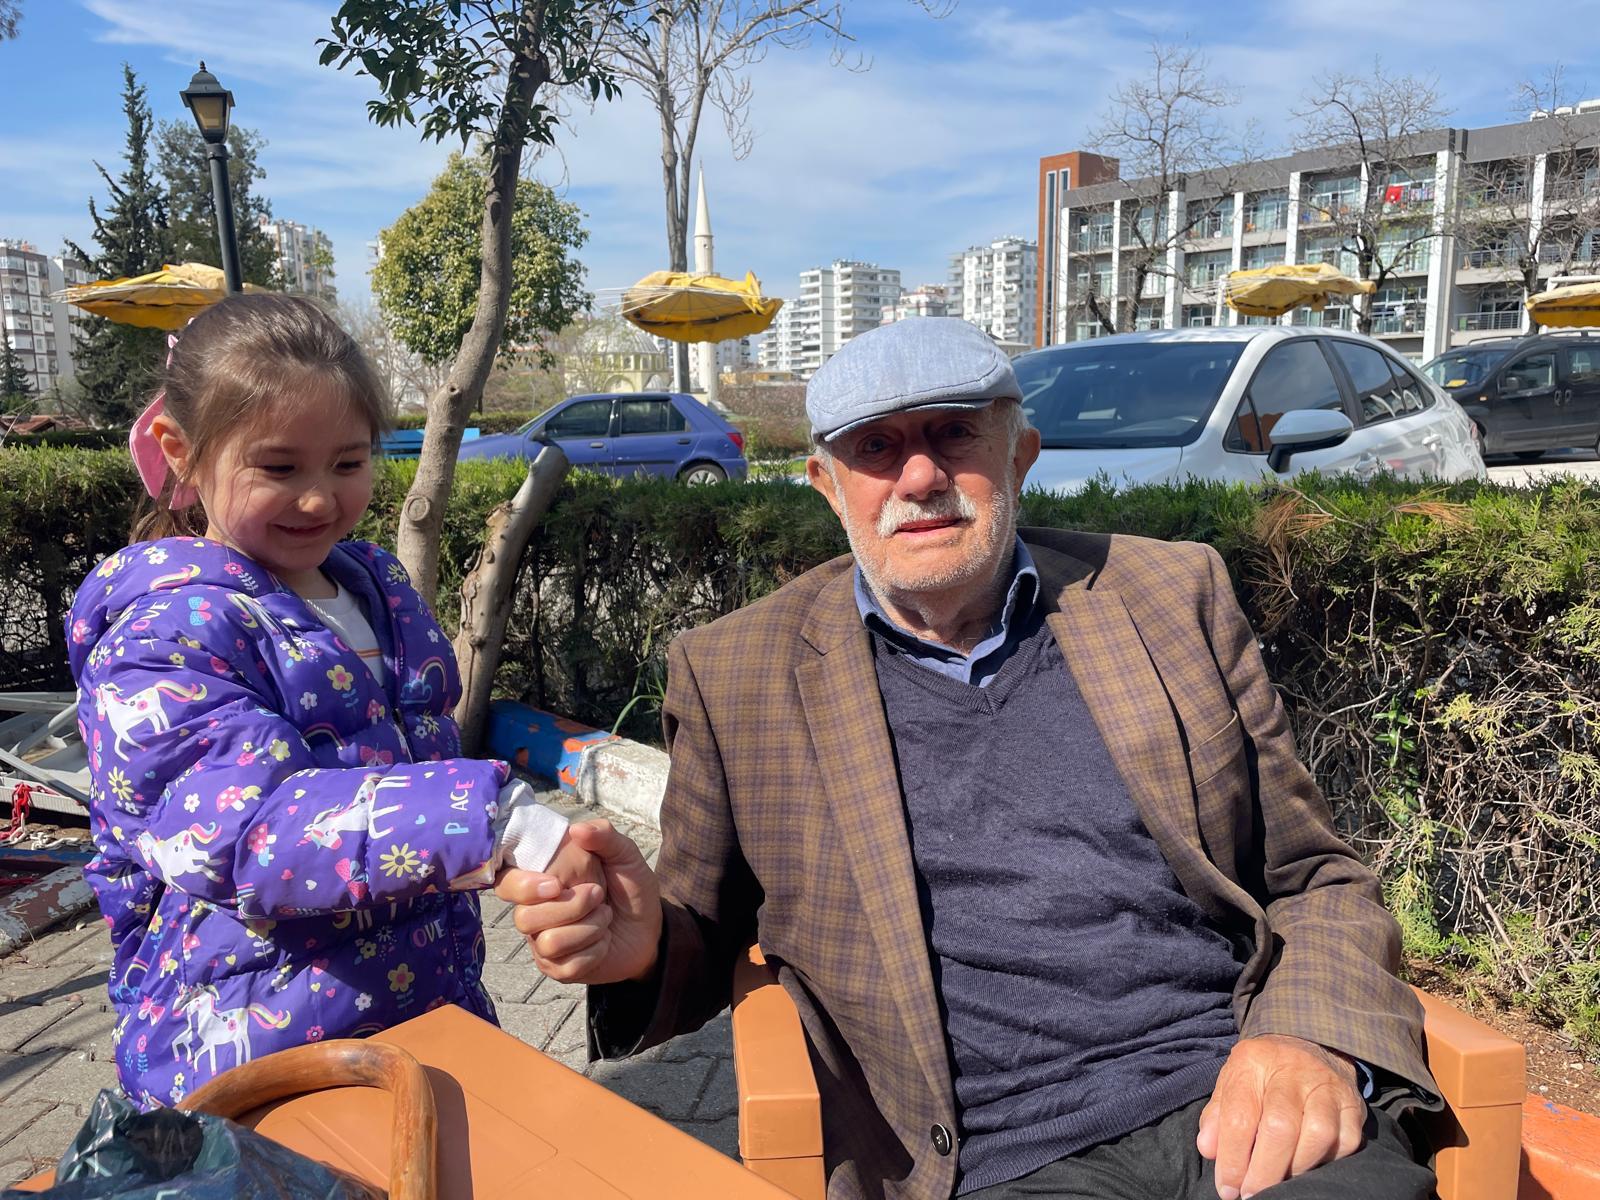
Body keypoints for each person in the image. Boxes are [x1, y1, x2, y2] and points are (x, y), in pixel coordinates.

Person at [503, 317, 1441, 1200]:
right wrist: (638, 951)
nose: (919, 477)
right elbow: (702, 936)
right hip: (991, 1159)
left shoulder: (1169, 594)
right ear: (826, 484)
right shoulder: (736, 674)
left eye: (953, 434)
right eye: (876, 448)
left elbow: (1314, 877)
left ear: (1018, 455)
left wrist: (1307, 1038)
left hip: (1239, 1091)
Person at [67, 294, 589, 1109]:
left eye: (348, 464)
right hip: (254, 1047)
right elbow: (246, 830)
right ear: (182, 452)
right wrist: (489, 820)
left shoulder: (376, 593)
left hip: (422, 1004)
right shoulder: (164, 633)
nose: (318, 499)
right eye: (279, 468)